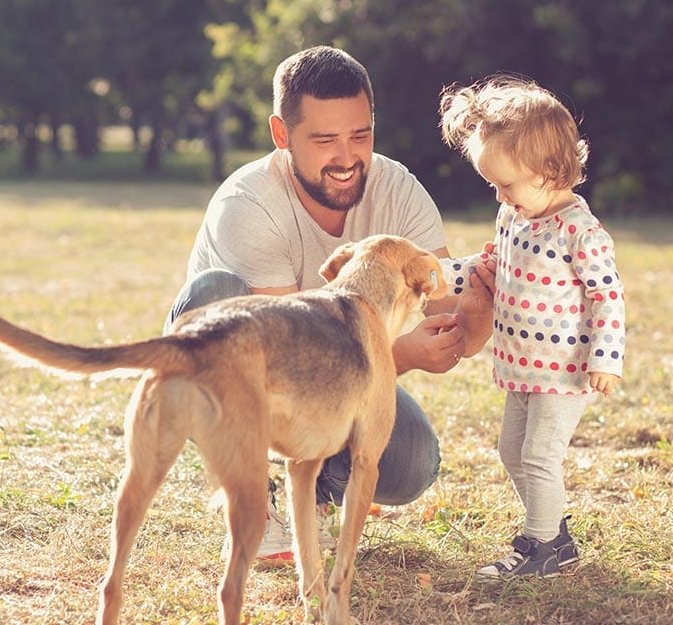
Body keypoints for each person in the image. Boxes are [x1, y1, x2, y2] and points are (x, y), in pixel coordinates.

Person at [165, 45, 495, 562]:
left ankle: (314, 489)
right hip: (247, 370)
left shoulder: (398, 190)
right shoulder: (248, 205)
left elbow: (447, 315)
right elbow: (289, 366)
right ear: (282, 135)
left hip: (342, 373)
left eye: (360, 135)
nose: (346, 158)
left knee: (412, 462)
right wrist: (402, 354)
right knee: (215, 291)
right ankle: (251, 499)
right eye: (324, 140)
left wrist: (476, 311)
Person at [438, 75, 625, 580]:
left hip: (564, 371)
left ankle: (542, 547)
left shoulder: (579, 231)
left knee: (540, 454)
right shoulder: (513, 217)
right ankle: (554, 533)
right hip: (520, 365)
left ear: (551, 170)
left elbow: (607, 295)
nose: (501, 196)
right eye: (494, 186)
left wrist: (606, 358)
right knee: (511, 452)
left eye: (507, 184)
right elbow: (490, 268)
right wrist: (439, 275)